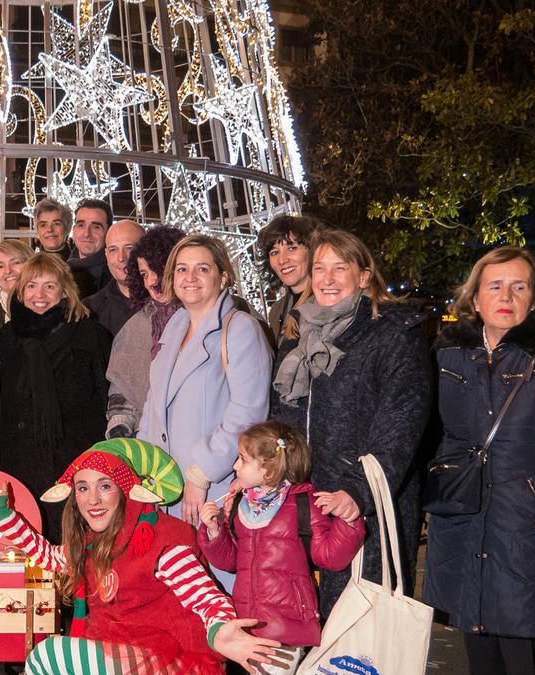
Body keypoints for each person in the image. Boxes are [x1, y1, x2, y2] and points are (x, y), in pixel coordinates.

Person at [422, 247, 535, 675]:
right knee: (479, 644)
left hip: (531, 522)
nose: (506, 295)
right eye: (495, 286)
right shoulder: (448, 354)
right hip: (464, 520)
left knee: (527, 638)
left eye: (519, 286)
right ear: (475, 299)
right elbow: (428, 431)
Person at [0, 439, 281, 674]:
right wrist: (2, 514)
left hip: (177, 663)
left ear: (124, 490)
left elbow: (204, 597)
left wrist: (221, 628)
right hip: (125, 655)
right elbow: (50, 557)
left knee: (48, 655)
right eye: (83, 488)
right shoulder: (92, 543)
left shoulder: (162, 539)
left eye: (104, 486)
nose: (92, 499)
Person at [270, 228, 432, 617]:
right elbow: (281, 421)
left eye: (339, 268)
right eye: (319, 268)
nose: (326, 279)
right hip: (305, 506)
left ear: (363, 276)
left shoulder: (394, 335)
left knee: (360, 631)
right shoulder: (299, 337)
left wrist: (358, 492)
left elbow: (401, 425)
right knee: (310, 627)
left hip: (361, 506)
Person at [138, 233, 273, 593]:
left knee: (218, 585)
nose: (190, 277)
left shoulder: (240, 329)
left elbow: (248, 412)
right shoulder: (174, 326)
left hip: (212, 488)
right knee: (179, 589)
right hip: (166, 487)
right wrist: (141, 464)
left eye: (202, 268)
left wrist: (201, 474)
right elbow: (154, 405)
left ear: (223, 277)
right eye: (181, 269)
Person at [199, 421, 365, 672]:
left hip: (287, 630)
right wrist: (214, 531)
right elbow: (232, 562)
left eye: (242, 459)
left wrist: (347, 521)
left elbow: (330, 558)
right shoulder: (242, 506)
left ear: (268, 469)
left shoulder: (302, 504)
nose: (234, 466)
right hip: (246, 626)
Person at [0, 253, 111, 542]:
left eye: (49, 286)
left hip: (76, 462)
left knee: (76, 546)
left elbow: (106, 398)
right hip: (20, 465)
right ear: (20, 292)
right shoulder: (5, 339)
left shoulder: (90, 335)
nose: (39, 295)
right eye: (31, 286)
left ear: (64, 290)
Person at [105, 225, 186, 439]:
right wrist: (119, 428)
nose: (152, 281)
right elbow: (123, 391)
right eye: (144, 273)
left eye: (158, 269)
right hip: (152, 450)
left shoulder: (221, 314)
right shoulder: (137, 326)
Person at [256, 216, 318, 345]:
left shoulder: (327, 301)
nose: (282, 260)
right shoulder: (277, 312)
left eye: (291, 248)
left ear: (311, 251)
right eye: (274, 252)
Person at [84, 218, 143, 335]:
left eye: (129, 248)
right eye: (113, 250)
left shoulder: (165, 300)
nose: (121, 258)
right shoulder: (90, 309)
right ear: (106, 255)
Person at [68, 198, 113, 296]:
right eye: (81, 225)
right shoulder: (61, 269)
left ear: (109, 232)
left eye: (96, 227)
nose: (86, 234)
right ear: (74, 230)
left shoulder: (116, 274)